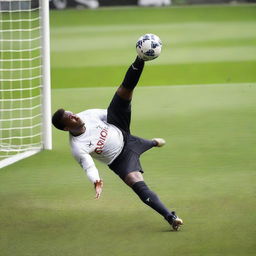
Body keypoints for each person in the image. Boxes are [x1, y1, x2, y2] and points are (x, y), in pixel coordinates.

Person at [52, 54, 183, 231]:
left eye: (72, 113)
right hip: (120, 161)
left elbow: (111, 113)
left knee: (123, 92)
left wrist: (123, 107)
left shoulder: (87, 115)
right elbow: (89, 166)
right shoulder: (78, 147)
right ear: (67, 128)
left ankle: (140, 59)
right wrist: (96, 181)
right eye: (71, 118)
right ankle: (170, 217)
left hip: (120, 129)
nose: (75, 116)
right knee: (136, 183)